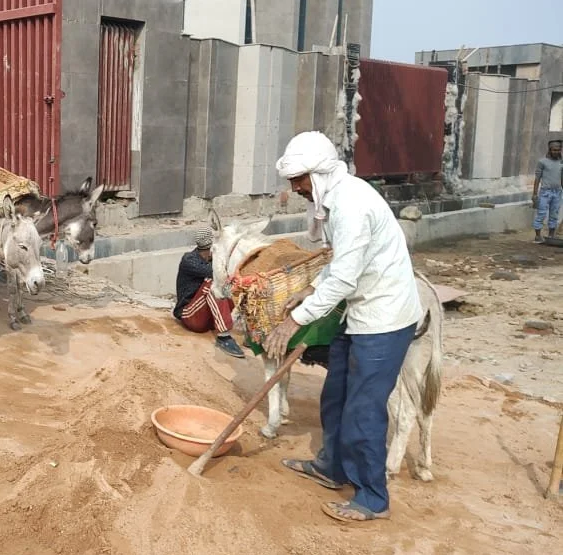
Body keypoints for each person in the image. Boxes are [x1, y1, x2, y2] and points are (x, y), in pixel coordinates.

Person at [265, 131, 421, 524]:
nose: (295, 188)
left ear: (317, 175)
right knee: (335, 396)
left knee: (363, 410)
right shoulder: (336, 200)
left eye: (299, 180)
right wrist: (309, 290)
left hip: (383, 321)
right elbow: (340, 263)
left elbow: (345, 279)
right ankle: (332, 468)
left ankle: (372, 497)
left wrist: (293, 321)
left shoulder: (351, 204)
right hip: (358, 315)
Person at [173, 227, 245, 359]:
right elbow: (218, 273)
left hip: (208, 317)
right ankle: (224, 337)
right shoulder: (189, 260)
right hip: (190, 315)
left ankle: (250, 332)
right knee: (214, 284)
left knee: (237, 283)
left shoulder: (212, 260)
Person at [532, 138, 562, 244]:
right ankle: (538, 236)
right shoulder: (542, 162)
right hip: (545, 192)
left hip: (557, 192)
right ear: (549, 150)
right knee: (541, 213)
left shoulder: (561, 162)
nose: (556, 152)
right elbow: (537, 178)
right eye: (554, 150)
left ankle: (551, 236)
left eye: (558, 150)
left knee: (554, 214)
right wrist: (534, 194)